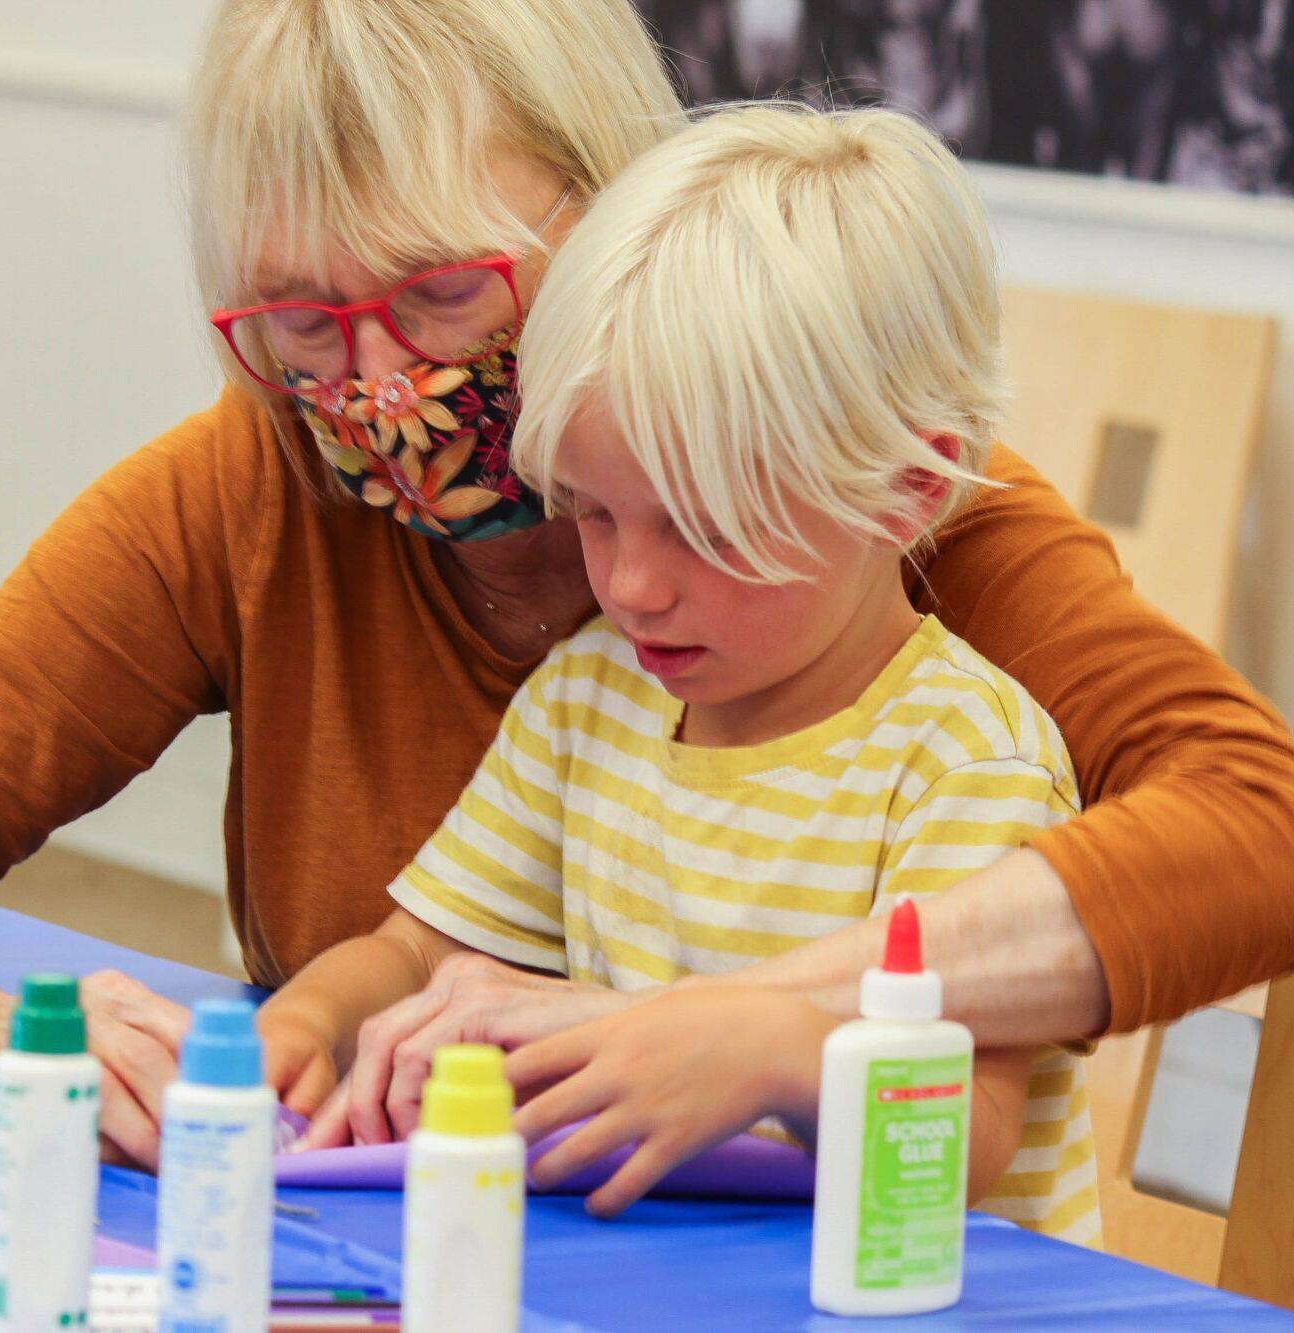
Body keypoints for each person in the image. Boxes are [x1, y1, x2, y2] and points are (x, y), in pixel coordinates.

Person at [0, 0, 1294, 1171]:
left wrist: (724, 1024)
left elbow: (1255, 826)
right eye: (303, 324)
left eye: (443, 294)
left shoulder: (860, 506)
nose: (376, 389)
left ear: (613, 207)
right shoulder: (249, 486)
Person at [280, 102, 1097, 1243]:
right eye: (596, 514)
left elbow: (964, 1137)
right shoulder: (590, 694)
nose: (630, 587)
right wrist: (307, 1020)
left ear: (907, 490)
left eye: (703, 531)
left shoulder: (962, 760)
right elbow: (424, 950)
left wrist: (768, 1051)